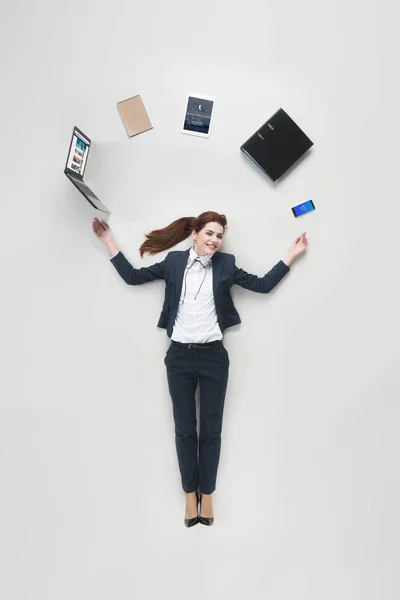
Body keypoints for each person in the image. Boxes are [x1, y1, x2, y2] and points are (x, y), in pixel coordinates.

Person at [92, 211, 308, 527]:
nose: (214, 240)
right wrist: (109, 242)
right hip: (178, 358)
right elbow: (134, 277)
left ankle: (206, 493)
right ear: (194, 233)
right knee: (184, 430)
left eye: (219, 235)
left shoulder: (227, 265)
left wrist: (290, 256)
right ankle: (188, 493)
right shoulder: (173, 263)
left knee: (210, 430)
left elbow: (262, 285)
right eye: (209, 233)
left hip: (213, 359)